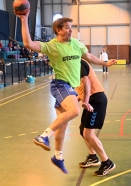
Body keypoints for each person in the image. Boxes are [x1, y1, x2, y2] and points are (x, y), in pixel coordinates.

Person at [15, 12, 116, 172]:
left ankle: (58, 156)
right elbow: (28, 43)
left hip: (70, 88)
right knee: (74, 111)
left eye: (71, 28)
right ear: (58, 30)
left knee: (62, 124)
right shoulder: (52, 46)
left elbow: (88, 56)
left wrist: (105, 63)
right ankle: (44, 136)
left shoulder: (76, 44)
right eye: (67, 28)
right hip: (60, 85)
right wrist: (24, 19)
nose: (71, 31)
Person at [55, 59, 116, 176]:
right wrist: (72, 101)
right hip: (90, 100)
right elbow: (80, 90)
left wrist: (86, 101)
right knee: (82, 130)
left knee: (88, 134)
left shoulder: (78, 62)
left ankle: (107, 162)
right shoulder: (70, 67)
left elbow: (86, 81)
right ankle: (93, 157)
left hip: (96, 99)